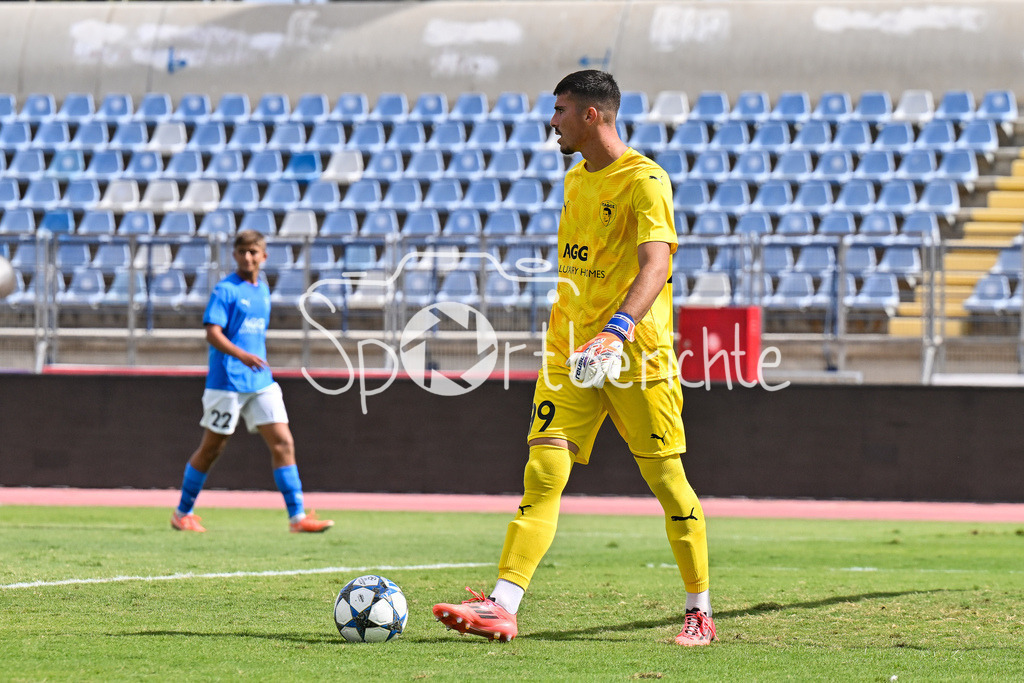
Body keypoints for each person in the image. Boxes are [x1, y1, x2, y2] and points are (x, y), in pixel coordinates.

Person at [432, 70, 714, 645]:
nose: (550, 121)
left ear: (592, 115)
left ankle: (699, 611)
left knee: (667, 481)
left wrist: (617, 329)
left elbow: (656, 265)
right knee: (543, 473)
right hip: (569, 351)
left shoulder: (646, 180)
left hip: (635, 353)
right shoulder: (572, 179)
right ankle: (503, 604)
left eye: (560, 110)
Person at [171, 229, 333, 534]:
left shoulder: (262, 289)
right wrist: (241, 355)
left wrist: (251, 359)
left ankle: (297, 518)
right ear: (234, 255)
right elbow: (212, 332)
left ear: (263, 256)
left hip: (260, 381)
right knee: (212, 449)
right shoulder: (225, 290)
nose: (248, 257)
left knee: (284, 442)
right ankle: (182, 512)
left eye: (253, 252)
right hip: (227, 382)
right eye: (242, 251)